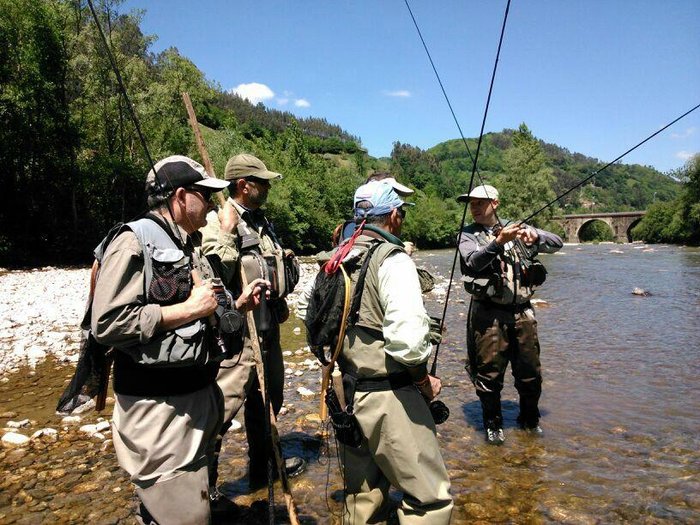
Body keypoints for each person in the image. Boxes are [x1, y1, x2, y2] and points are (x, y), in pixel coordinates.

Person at [91, 155, 268, 524]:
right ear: (181, 196)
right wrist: (188, 309)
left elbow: (200, 315)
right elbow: (107, 323)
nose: (211, 206)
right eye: (205, 196)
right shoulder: (132, 240)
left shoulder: (190, 244)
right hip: (159, 411)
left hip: (193, 401)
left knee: (187, 509)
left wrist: (238, 304)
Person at [325, 180, 453, 524]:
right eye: (403, 212)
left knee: (363, 497)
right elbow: (409, 344)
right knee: (429, 499)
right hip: (390, 396)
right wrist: (423, 380)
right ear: (394, 216)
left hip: (346, 395)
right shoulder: (393, 261)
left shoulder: (339, 256)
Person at [200, 153, 305, 496]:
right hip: (237, 337)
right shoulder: (216, 220)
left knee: (267, 402)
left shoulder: (263, 224)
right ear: (244, 186)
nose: (269, 187)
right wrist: (228, 232)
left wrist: (279, 301)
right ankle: (205, 490)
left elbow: (266, 268)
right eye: (263, 183)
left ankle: (263, 469)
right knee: (221, 411)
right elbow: (216, 274)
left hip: (268, 332)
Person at [457, 184, 563, 445]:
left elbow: (557, 242)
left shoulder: (518, 228)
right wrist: (498, 242)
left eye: (480, 202)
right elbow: (472, 262)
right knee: (489, 375)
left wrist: (534, 236)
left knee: (530, 373)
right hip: (488, 314)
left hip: (523, 313)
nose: (475, 207)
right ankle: (493, 424)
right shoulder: (467, 235)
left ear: (495, 203)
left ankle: (530, 420)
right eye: (472, 203)